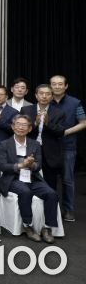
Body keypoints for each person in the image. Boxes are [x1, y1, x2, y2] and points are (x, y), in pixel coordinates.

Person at [0, 114, 59, 243]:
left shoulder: (35, 144)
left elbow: (39, 165)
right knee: (25, 192)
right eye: (18, 124)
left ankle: (47, 228)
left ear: (30, 129)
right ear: (13, 127)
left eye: (24, 125)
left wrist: (31, 165)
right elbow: (2, 166)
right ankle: (28, 225)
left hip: (32, 178)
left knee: (51, 193)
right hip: (13, 179)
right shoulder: (4, 144)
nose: (21, 127)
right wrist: (21, 165)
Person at [49, 74, 86, 222]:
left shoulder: (75, 103)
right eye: (54, 84)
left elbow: (83, 123)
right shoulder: (45, 100)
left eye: (60, 84)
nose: (57, 86)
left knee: (67, 179)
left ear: (66, 86)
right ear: (50, 86)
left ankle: (68, 210)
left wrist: (65, 132)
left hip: (68, 146)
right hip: (49, 147)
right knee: (48, 179)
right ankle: (51, 209)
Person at [20, 84, 66, 192]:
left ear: (52, 97)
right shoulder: (26, 110)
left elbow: (61, 132)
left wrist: (47, 124)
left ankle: (50, 202)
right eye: (41, 93)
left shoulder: (59, 112)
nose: (44, 96)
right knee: (27, 181)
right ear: (36, 95)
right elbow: (20, 130)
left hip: (49, 153)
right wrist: (35, 124)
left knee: (50, 184)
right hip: (30, 150)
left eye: (48, 94)